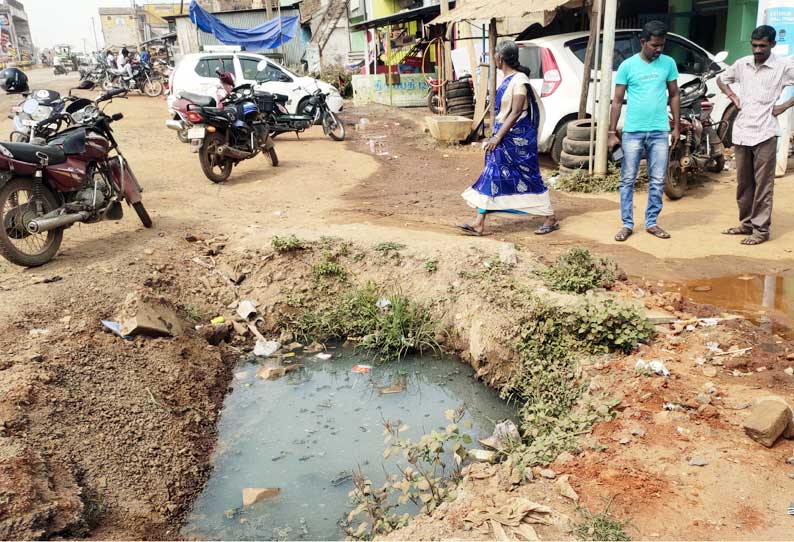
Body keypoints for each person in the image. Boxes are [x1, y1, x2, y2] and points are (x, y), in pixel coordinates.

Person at [458, 40, 558, 236]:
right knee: (492, 175)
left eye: (495, 55)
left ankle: (550, 217)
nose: (494, 58)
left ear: (500, 58)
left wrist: (497, 137)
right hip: (504, 137)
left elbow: (515, 111)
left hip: (517, 140)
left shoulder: (520, 80)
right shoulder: (508, 79)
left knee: (530, 178)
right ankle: (479, 222)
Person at [716, 25, 794, 245]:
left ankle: (760, 230)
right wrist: (732, 96)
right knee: (744, 184)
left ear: (772, 45)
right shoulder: (742, 64)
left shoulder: (783, 67)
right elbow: (722, 79)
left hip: (766, 133)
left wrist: (785, 106)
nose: (758, 50)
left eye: (763, 46)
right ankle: (746, 223)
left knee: (763, 185)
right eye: (754, 45)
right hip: (742, 133)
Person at [608, 20, 680, 242]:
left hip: (659, 131)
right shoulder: (627, 66)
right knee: (628, 179)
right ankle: (627, 224)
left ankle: (651, 222)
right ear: (643, 41)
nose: (658, 50)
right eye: (654, 45)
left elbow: (674, 94)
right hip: (633, 132)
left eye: (661, 46)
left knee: (658, 179)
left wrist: (676, 126)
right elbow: (617, 101)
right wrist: (612, 132)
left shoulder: (668, 63)